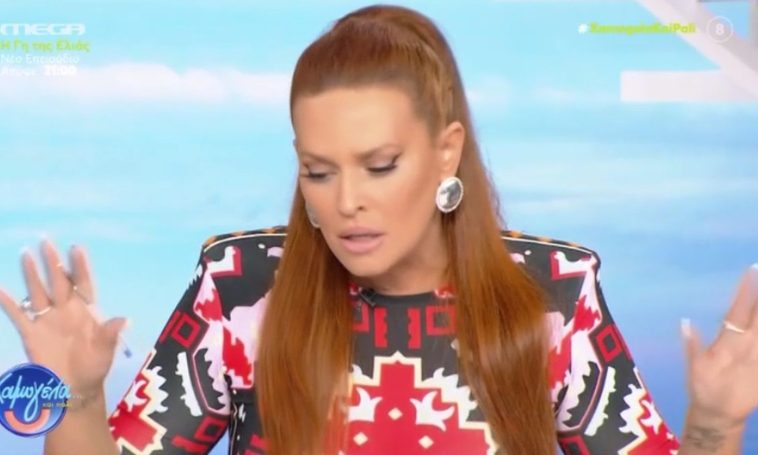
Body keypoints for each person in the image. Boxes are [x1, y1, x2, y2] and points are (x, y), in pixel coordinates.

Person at [1, 4, 757, 455]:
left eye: (380, 165)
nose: (346, 202)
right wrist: (80, 398)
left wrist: (716, 424)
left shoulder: (553, 297)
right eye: (318, 171)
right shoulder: (240, 291)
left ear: (447, 151)